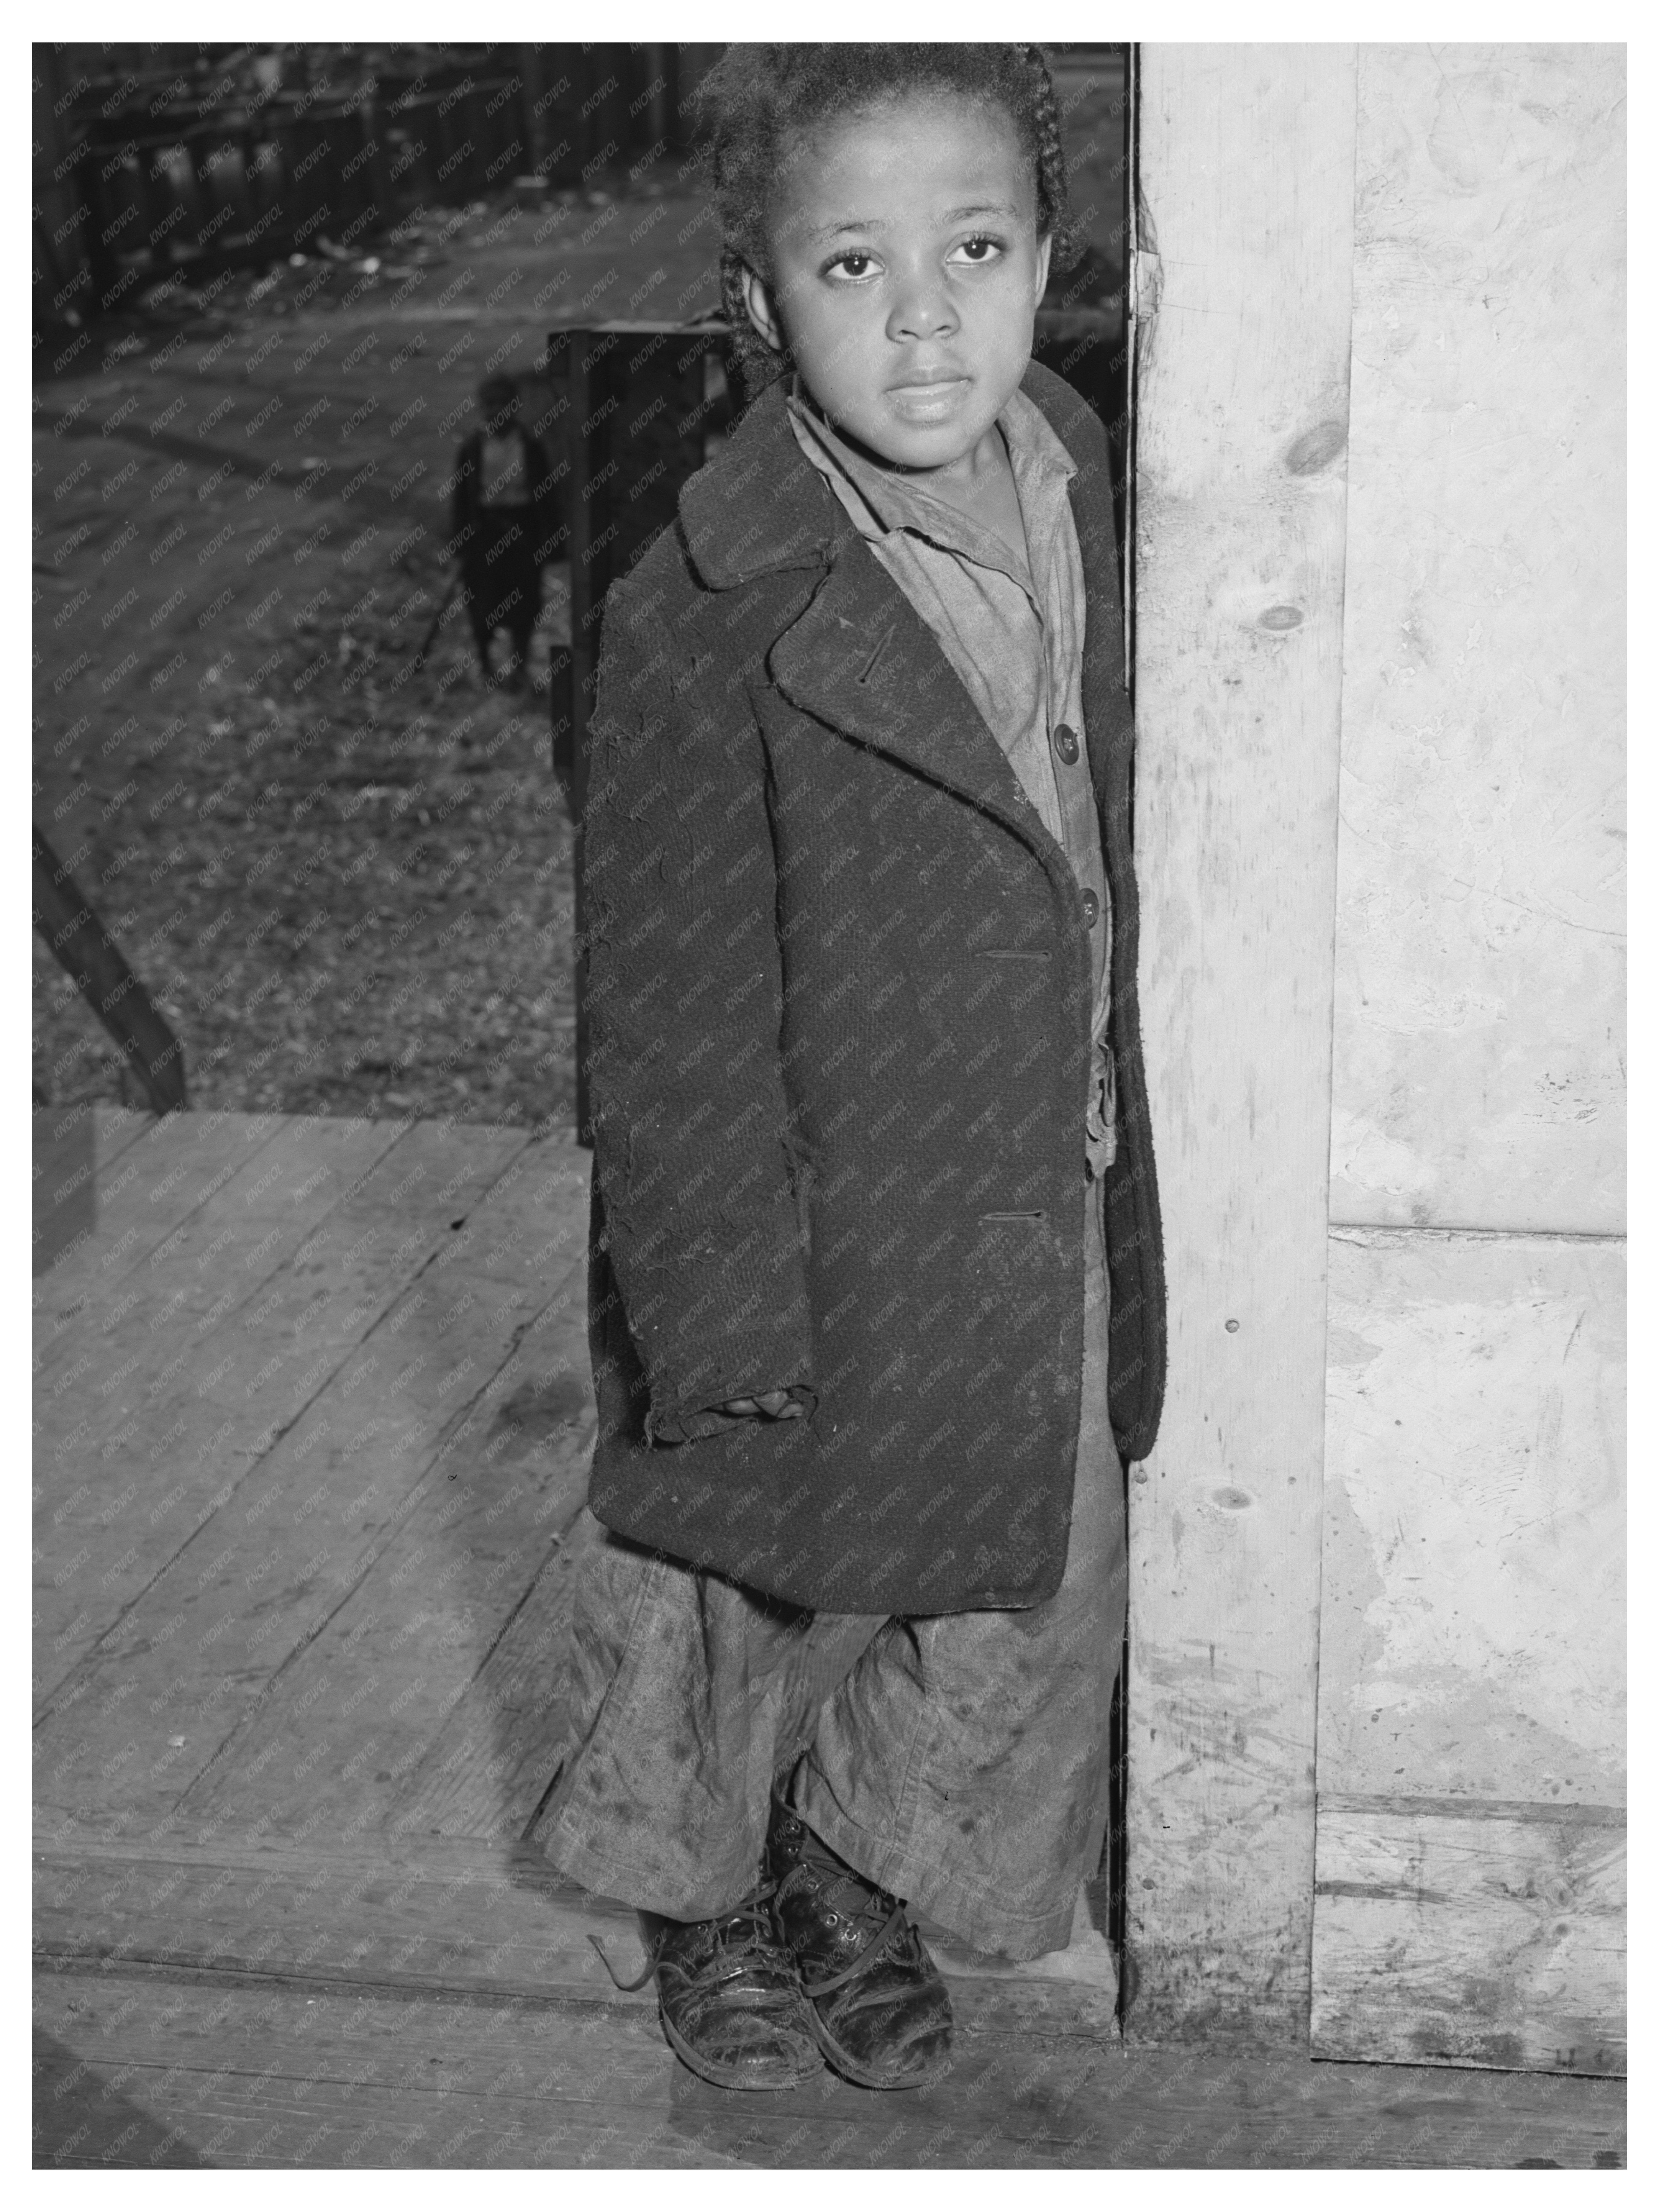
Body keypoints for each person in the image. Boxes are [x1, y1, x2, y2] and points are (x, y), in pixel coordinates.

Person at [538, 43, 1166, 2094]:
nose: (922, 314)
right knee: (742, 1595)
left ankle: (850, 1857)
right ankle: (696, 1881)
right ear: (755, 301)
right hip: (811, 1205)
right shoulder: (702, 602)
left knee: (1021, 1574)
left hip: (1027, 1175)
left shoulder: (1072, 467)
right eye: (850, 262)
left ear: (1045, 259)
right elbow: (667, 994)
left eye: (974, 249)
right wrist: (711, 1290)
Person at [449, 372, 556, 690]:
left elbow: (546, 496)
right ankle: (485, 665)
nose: (496, 411)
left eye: (503, 404)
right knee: (482, 599)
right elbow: (461, 499)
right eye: (489, 404)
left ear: (516, 405)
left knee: (524, 599)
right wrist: (462, 542)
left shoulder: (531, 445)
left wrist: (550, 539)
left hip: (522, 531)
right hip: (485, 533)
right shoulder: (471, 447)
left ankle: (520, 666)